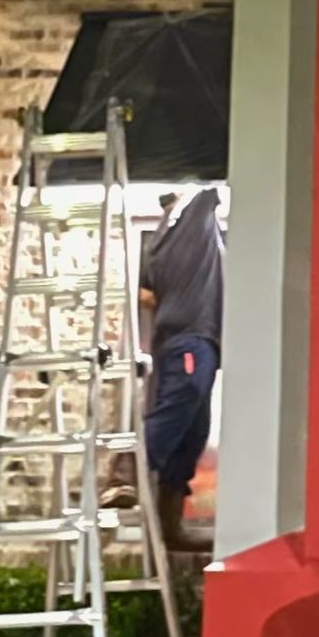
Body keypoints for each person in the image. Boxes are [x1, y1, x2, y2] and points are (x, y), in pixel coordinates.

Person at [138, 184, 224, 552]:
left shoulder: (157, 246)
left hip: (192, 341)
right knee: (181, 401)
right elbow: (208, 187)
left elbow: (147, 297)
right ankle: (127, 468)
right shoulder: (193, 213)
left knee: (193, 433)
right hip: (189, 339)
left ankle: (169, 526)